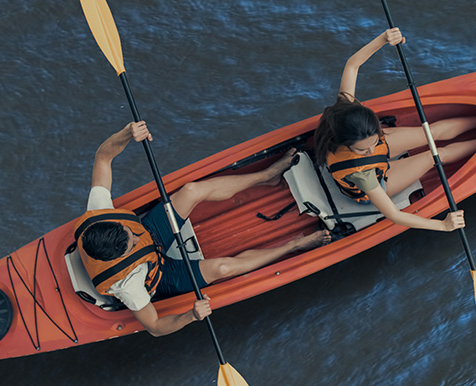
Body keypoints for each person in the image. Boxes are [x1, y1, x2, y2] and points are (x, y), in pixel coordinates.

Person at [76, 121, 330, 337]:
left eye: (127, 230)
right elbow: (154, 326)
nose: (133, 234)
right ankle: (295, 244)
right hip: (159, 276)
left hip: (151, 237)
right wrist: (191, 316)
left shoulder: (97, 214)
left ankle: (267, 176)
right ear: (121, 254)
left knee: (191, 191)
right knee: (222, 268)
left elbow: (103, 156)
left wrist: (127, 133)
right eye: (130, 241)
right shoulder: (129, 287)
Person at [313, 28, 476, 232]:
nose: (370, 151)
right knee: (436, 155)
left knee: (430, 134)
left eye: (374, 142)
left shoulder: (346, 111)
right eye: (363, 150)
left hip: (374, 159)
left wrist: (383, 39)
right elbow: (394, 215)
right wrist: (443, 225)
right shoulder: (361, 175)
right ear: (342, 142)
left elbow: (353, 65)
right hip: (377, 178)